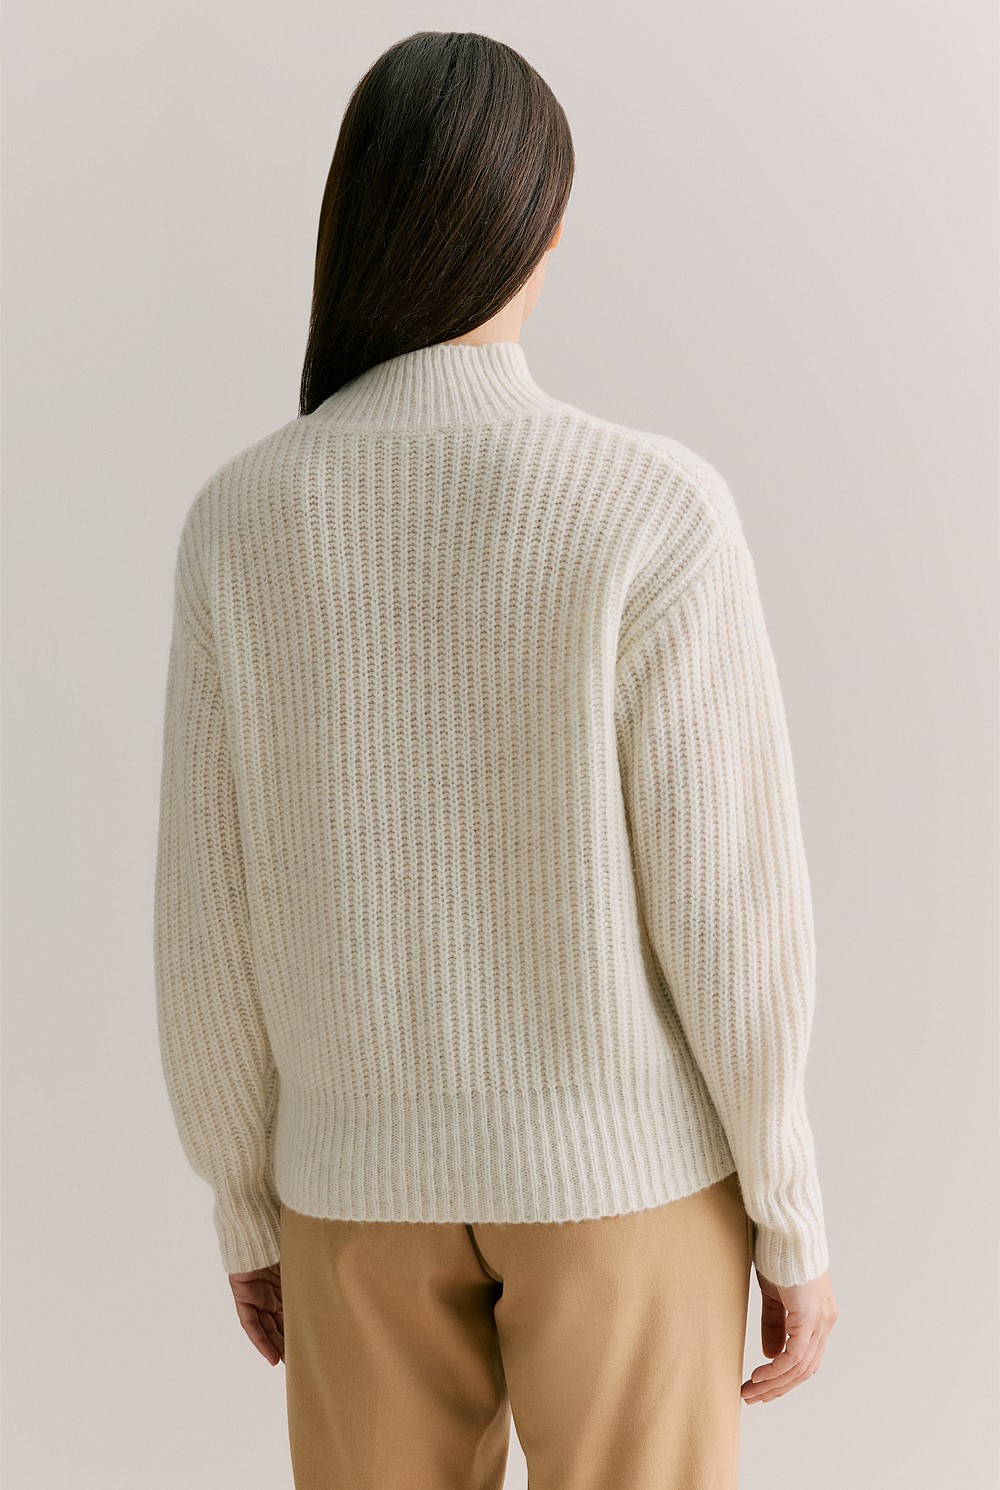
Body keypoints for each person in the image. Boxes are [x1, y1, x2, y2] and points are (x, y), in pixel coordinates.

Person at [153, 28, 838, 1490]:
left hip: (352, 1192)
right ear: (544, 222)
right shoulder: (650, 508)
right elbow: (731, 905)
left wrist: (245, 1200)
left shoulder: (241, 521)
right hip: (624, 1184)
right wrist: (790, 1207)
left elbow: (205, 918)